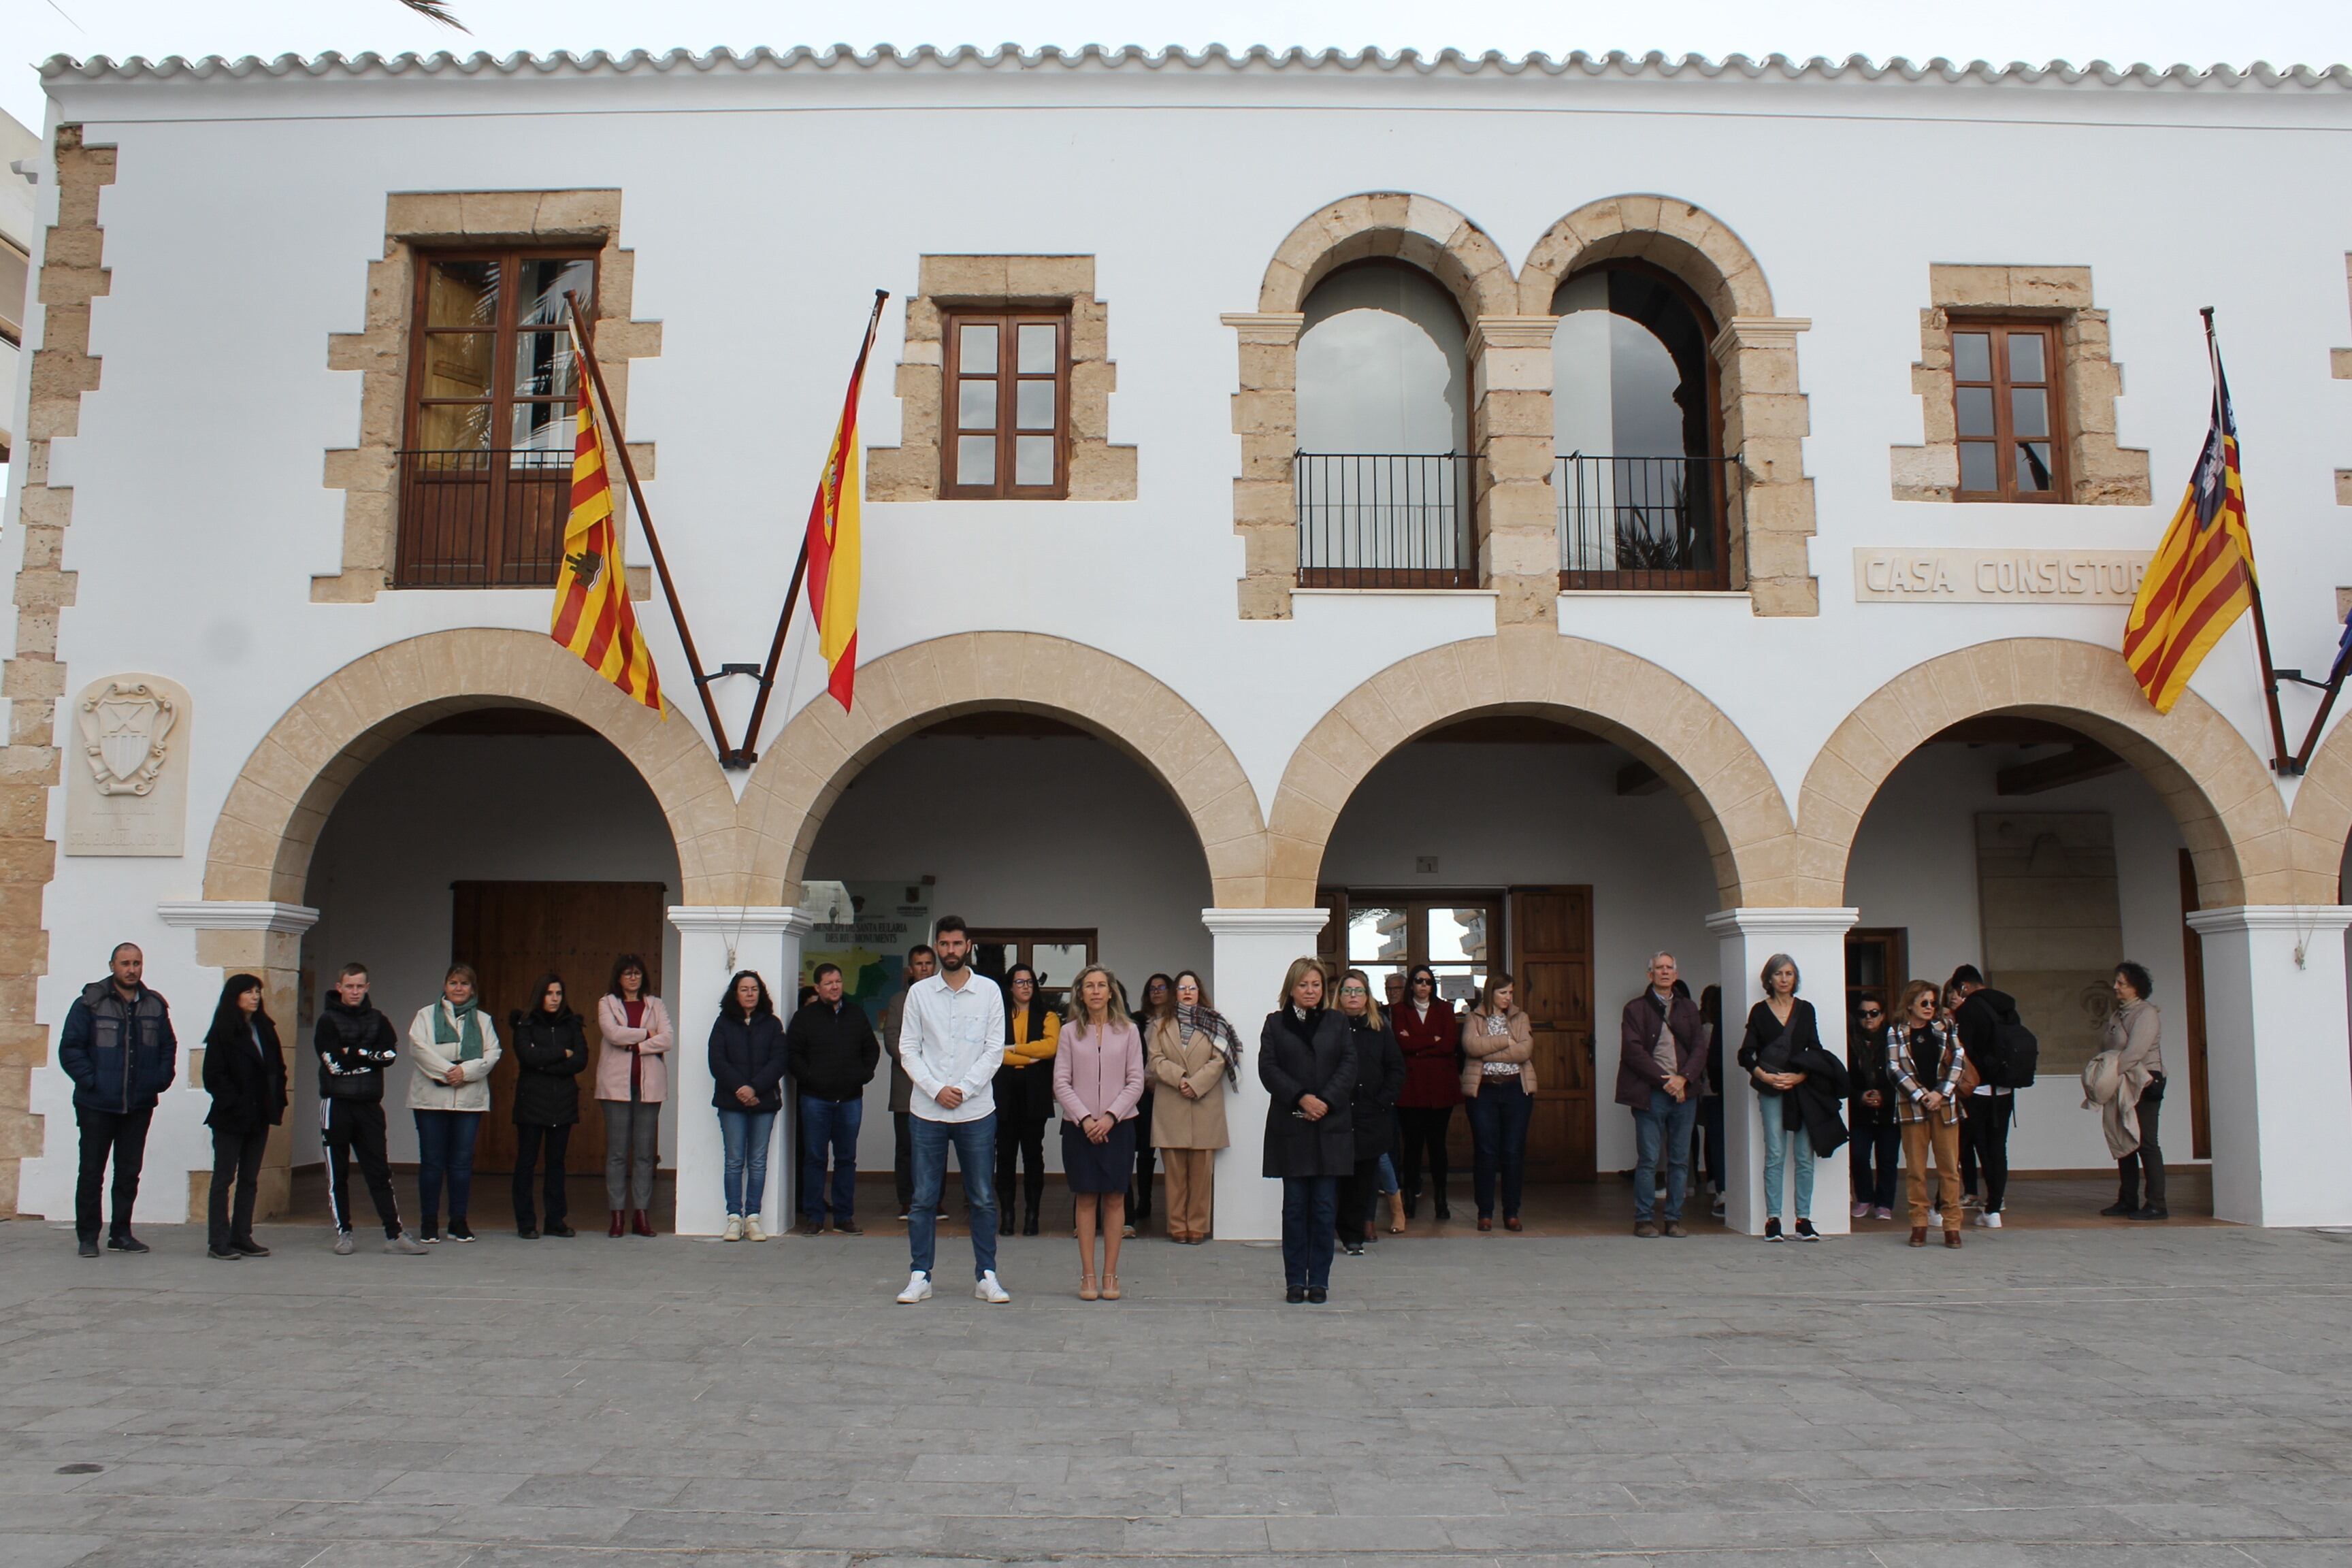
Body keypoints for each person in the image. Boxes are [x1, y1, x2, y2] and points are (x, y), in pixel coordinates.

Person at [894, 916, 1011, 1305]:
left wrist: (962, 1089)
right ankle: (920, 1275)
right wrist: (935, 1089)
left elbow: (995, 1049)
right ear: (936, 948)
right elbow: (908, 1049)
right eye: (943, 944)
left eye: (956, 944)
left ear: (968, 945)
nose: (950, 951)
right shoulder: (920, 993)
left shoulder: (990, 991)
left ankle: (987, 1276)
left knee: (981, 1196)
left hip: (976, 1110)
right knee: (924, 1198)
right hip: (927, 1112)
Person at [58, 943, 176, 1257]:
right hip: (96, 1104)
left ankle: (121, 1233)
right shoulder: (90, 1004)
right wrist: (92, 1082)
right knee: (92, 1171)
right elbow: (70, 1049)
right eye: (125, 963)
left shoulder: (154, 1005)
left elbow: (167, 1046)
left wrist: (160, 1079)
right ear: (112, 965)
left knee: (128, 1172)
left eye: (137, 963)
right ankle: (87, 1237)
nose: (132, 969)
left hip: (138, 1105)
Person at [1260, 958, 1356, 1303]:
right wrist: (1302, 1098)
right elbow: (1268, 1069)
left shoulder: (1337, 1022)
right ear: (1292, 988)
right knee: (1296, 1207)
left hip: (1329, 1126)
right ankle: (1294, 1281)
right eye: (1304, 985)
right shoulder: (1275, 1024)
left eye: (1316, 985)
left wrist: (1325, 1101)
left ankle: (1320, 1281)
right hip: (1293, 1127)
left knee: (1324, 1208)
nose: (1310, 991)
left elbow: (1348, 1065)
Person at [314, 963, 426, 1255]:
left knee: (379, 1171)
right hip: (336, 1105)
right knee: (337, 1172)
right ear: (339, 987)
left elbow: (389, 1055)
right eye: (349, 986)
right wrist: (367, 1058)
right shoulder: (327, 1021)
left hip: (370, 1106)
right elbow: (333, 1065)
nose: (355, 992)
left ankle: (394, 1233)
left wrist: (355, 1052)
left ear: (367, 988)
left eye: (360, 986)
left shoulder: (379, 1020)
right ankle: (344, 1233)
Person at [1055, 964, 1145, 1299]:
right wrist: (1084, 1119)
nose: (1095, 991)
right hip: (1079, 1128)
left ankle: (1111, 1275)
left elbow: (1136, 1080)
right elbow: (1061, 1082)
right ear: (1080, 993)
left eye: (1101, 985)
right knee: (1086, 1197)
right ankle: (1088, 1276)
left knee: (1115, 1197)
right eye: (1088, 986)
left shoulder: (1129, 1032)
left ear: (1111, 992)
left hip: (1118, 1127)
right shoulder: (1068, 1033)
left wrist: (1109, 1116)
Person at [407, 964, 502, 1243]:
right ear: (445, 986)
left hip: (469, 1102)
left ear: (473, 989)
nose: (458, 988)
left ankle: (458, 1222)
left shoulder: (483, 1021)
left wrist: (467, 1072)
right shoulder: (425, 1016)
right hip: (431, 1101)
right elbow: (419, 1049)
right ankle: (428, 1223)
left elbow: (493, 1052)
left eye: (464, 984)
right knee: (432, 1163)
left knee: (461, 1165)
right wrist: (450, 1072)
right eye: (453, 983)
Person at [1616, 951, 1708, 1239]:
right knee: (1649, 1159)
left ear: (1676, 974)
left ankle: (1673, 1219)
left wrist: (1684, 1079)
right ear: (1650, 975)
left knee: (1680, 1159)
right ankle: (1644, 1219)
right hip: (1651, 1093)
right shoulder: (1635, 1009)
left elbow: (1699, 1049)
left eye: (1669, 968)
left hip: (1684, 1093)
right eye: (1659, 968)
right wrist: (1664, 1081)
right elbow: (1633, 1052)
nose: (1665, 972)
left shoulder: (1689, 1008)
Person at [786, 961, 880, 1236]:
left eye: (838, 981)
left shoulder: (856, 1014)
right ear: (818, 988)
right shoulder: (805, 1018)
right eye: (829, 983)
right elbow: (793, 1055)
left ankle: (844, 1217)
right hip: (815, 1099)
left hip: (850, 1099)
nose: (835, 987)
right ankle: (814, 1217)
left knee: (846, 1159)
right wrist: (811, 1079)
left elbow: (871, 1050)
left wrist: (862, 1076)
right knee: (815, 1158)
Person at [1736, 953, 1825, 1242]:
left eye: (1789, 974)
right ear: (1769, 979)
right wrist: (1764, 1076)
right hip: (1771, 1088)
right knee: (1775, 1153)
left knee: (1804, 1154)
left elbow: (1816, 1050)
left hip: (1802, 1090)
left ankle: (1804, 1219)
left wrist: (1800, 1076)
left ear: (1794, 978)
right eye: (1779, 974)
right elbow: (1746, 1053)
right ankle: (1773, 1219)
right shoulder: (1760, 1012)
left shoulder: (1806, 1010)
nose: (1784, 979)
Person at [1147, 968, 1239, 1244]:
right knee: (1174, 1174)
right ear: (1175, 993)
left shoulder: (1216, 1023)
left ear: (1200, 992)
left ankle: (1197, 1225)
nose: (1188, 993)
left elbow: (1219, 1060)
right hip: (1171, 1104)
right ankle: (1177, 1226)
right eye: (1182, 988)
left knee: (1201, 1174)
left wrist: (1196, 1083)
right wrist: (1181, 1079)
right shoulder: (1160, 1025)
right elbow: (1156, 1059)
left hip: (1204, 1103)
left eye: (1193, 988)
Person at [199, 973, 286, 1261]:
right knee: (224, 1177)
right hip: (231, 1117)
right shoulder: (223, 1032)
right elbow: (213, 1076)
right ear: (234, 996)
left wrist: (277, 1100)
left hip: (259, 1115)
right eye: (248, 992)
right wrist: (235, 1102)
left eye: (257, 992)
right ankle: (218, 1240)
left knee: (250, 1178)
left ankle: (242, 1235)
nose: (255, 997)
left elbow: (276, 1067)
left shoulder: (265, 1028)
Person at [596, 954, 672, 1239]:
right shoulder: (607, 1003)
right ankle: (616, 1216)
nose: (633, 978)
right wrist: (646, 1033)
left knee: (644, 1153)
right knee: (617, 1153)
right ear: (618, 977)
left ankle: (641, 1215)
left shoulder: (657, 1004)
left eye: (637, 973)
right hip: (616, 1087)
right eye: (627, 973)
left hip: (648, 1086)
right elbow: (613, 1034)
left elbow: (668, 1039)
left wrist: (639, 1047)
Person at [1885, 979, 1966, 1249]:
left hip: (1945, 1105)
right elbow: (1894, 1068)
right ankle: (1918, 1223)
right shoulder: (1896, 1031)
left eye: (1934, 1002)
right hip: (1913, 1107)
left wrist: (1941, 1093)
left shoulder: (1946, 1027)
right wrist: (1922, 1095)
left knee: (1949, 1169)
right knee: (1916, 1170)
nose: (1930, 1007)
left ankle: (1952, 1225)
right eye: (1924, 1003)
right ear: (1910, 1004)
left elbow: (1958, 1060)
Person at [508, 975, 589, 1240]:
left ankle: (555, 1220)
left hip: (562, 1103)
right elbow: (527, 1056)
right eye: (549, 993)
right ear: (539, 995)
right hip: (532, 1102)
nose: (554, 998)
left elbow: (580, 1059)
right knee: (527, 1163)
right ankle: (526, 1222)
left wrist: (545, 1063)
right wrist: (560, 1053)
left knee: (556, 1164)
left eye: (558, 993)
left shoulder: (571, 1024)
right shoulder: (525, 1023)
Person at [710, 970, 787, 1241]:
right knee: (733, 1161)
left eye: (754, 989)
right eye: (744, 989)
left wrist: (754, 1088)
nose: (750, 994)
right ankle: (734, 1217)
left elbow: (779, 1060)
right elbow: (717, 1061)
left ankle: (753, 1217)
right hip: (731, 1103)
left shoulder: (773, 1024)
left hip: (764, 1101)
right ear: (735, 993)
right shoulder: (723, 1023)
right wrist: (741, 1089)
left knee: (757, 1161)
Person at [1333, 968, 1405, 1257]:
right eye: (1348, 991)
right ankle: (1332, 1229)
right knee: (1335, 1176)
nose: (1353, 996)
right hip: (1336, 1113)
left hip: (1370, 1114)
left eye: (1359, 991)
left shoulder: (1379, 1030)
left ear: (1367, 997)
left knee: (1364, 1178)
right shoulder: (1329, 1027)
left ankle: (1355, 1236)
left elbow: (1396, 1069)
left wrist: (1383, 1102)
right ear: (1339, 996)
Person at [1459, 973, 1535, 1233]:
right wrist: (1505, 1041)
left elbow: (1525, 1051)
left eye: (1511, 993)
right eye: (1503, 993)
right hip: (1484, 1090)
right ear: (1491, 992)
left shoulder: (1520, 1017)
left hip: (1516, 1089)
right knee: (1486, 1151)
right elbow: (1470, 1047)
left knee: (1513, 1152)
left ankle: (1512, 1212)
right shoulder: (1474, 1017)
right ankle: (1485, 1212)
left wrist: (1488, 1047)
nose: (1508, 998)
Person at [1948, 965, 2020, 1230]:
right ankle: (1994, 1208)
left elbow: (1963, 1052)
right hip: (2004, 1089)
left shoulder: (1969, 1010)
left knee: (1960, 1146)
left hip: (1976, 1091)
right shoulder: (2008, 1007)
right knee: (1997, 1148)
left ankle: (1940, 1206)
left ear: (1964, 986)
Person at [994, 964, 1060, 1238]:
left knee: (1033, 1156)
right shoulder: (997, 1015)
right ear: (1010, 987)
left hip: (1035, 1093)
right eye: (1019, 982)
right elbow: (994, 1052)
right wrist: (1028, 1056)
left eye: (1030, 982)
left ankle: (1032, 1216)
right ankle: (1007, 1215)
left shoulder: (1049, 1015)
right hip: (1004, 1092)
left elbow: (1050, 1047)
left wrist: (1014, 1049)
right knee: (1005, 1156)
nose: (1025, 987)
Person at [1390, 964, 1460, 1222]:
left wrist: (1418, 1044)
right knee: (1411, 1147)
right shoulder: (1399, 1010)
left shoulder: (1446, 1009)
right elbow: (1402, 1044)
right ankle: (1409, 1200)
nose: (1423, 986)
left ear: (1433, 986)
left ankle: (1441, 1201)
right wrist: (1433, 1040)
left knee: (1438, 1146)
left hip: (1441, 1089)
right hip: (1411, 1090)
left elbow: (1449, 1044)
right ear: (1411, 985)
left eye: (1428, 982)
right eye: (1419, 981)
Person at [2100, 961, 2168, 1220]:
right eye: (2116, 982)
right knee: (2124, 1139)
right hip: (2122, 1082)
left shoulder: (2146, 1014)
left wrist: (2109, 1074)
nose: (2115, 987)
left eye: (2122, 983)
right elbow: (2106, 1046)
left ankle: (2157, 1203)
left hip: (2144, 1082)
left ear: (2136, 988)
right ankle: (2127, 1200)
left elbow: (2136, 1051)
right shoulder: (2118, 1015)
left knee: (2147, 1142)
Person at [879, 944, 937, 1220]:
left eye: (928, 963)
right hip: (907, 1085)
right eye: (919, 963)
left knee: (935, 1147)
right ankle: (907, 1200)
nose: (924, 968)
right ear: (910, 969)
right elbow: (892, 1039)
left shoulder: (943, 998)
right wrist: (918, 1065)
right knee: (906, 1147)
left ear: (934, 966)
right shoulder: (898, 1000)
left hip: (938, 1087)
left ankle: (934, 1201)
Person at [1128, 973, 1175, 1237]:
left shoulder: (1176, 1021)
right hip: (1141, 1091)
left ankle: (1175, 1206)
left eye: (1162, 987)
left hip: (1168, 1089)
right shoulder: (1137, 1020)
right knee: (1143, 1147)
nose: (1157, 992)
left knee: (1169, 1146)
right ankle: (1143, 1201)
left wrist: (1161, 1079)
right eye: (1152, 988)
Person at [1846, 994, 1900, 1222]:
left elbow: (1902, 1075)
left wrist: (1885, 1097)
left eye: (1874, 1013)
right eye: (1863, 1014)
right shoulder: (1849, 1042)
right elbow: (1845, 1079)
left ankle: (1885, 1203)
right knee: (1859, 1156)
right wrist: (1860, 1097)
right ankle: (1865, 1198)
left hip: (1889, 1111)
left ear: (1883, 1016)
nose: (1868, 1018)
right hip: (1860, 1111)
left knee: (1888, 1159)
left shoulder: (1894, 1042)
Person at [1697, 983, 1727, 1218]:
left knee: (1715, 1140)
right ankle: (1723, 1187)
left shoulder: (1705, 1029)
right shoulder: (1728, 1026)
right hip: (1726, 1090)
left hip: (1709, 1089)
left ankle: (1719, 1186)